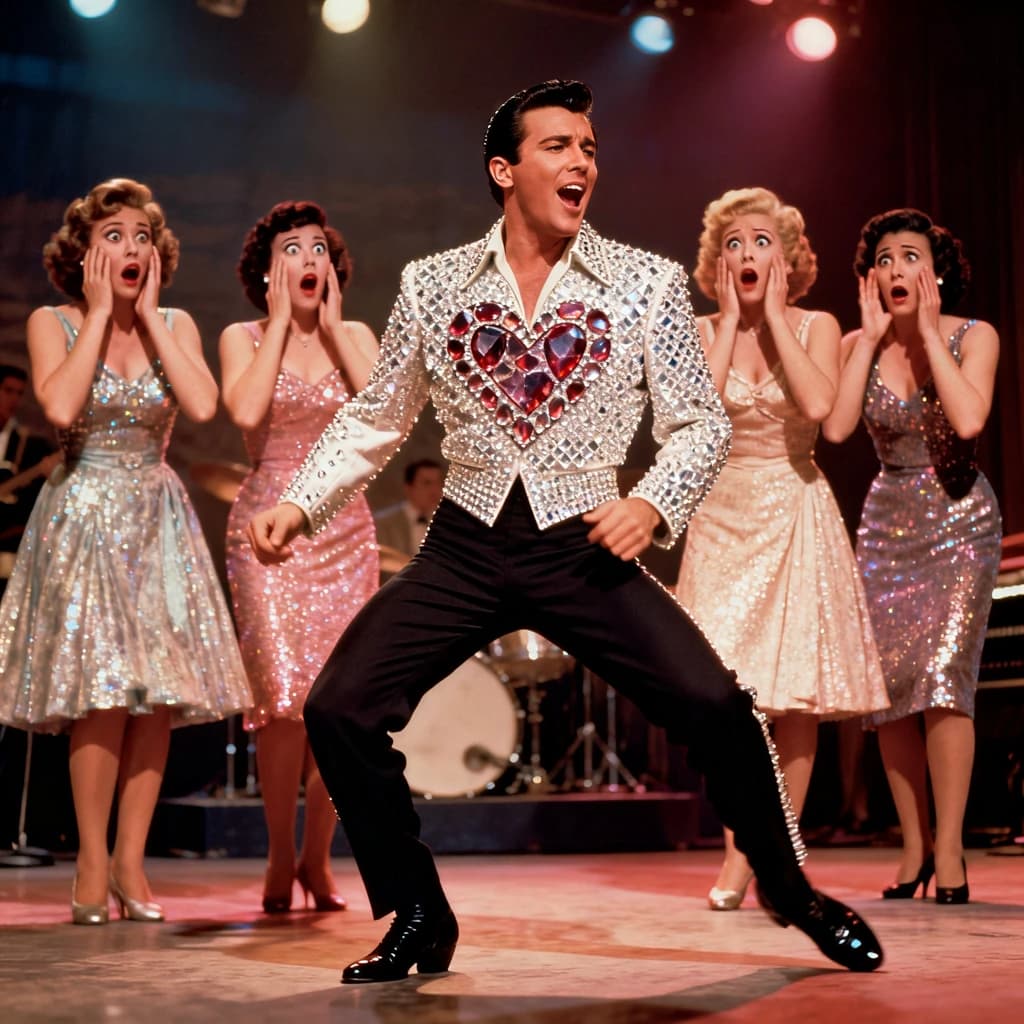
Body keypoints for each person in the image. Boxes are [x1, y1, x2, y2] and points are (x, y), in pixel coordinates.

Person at [248, 81, 883, 982]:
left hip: (586, 541)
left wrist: (653, 502)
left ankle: (793, 891)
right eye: (558, 146)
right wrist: (300, 500)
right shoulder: (433, 284)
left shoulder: (647, 283)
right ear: (504, 171)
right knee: (337, 708)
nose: (581, 161)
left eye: (588, 146)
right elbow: (377, 416)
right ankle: (419, 913)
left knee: (717, 705)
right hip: (465, 543)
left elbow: (698, 424)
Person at [0, 178, 251, 925]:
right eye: (114, 236)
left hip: (156, 516)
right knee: (102, 696)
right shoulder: (56, 321)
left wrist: (145, 318)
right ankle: (90, 859)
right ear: (83, 252)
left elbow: (204, 407)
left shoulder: (174, 321)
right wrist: (104, 313)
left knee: (157, 701)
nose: (131, 247)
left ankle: (133, 864)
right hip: (83, 514)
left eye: (142, 236)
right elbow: (62, 407)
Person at [676, 188, 890, 910]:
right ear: (717, 260)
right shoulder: (702, 330)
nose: (747, 254)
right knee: (726, 696)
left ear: (789, 258)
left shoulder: (819, 324)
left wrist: (770, 319)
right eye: (734, 243)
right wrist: (736, 323)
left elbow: (824, 412)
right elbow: (697, 426)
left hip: (794, 507)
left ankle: (767, 860)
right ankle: (750, 848)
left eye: (762, 242)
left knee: (795, 695)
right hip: (723, 516)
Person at [823, 208, 1001, 904]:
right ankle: (913, 845)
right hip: (887, 520)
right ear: (870, 276)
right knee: (892, 693)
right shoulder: (852, 344)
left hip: (959, 518)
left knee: (944, 681)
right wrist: (868, 343)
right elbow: (837, 428)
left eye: (910, 257)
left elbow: (968, 421)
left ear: (938, 269)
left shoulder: (972, 335)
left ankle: (952, 849)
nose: (898, 270)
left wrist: (927, 333)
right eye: (885, 259)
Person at [220, 201, 380, 914]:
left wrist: (340, 333)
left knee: (336, 703)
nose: (307, 261)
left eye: (317, 249)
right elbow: (247, 415)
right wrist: (281, 325)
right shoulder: (242, 336)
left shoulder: (358, 336)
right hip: (266, 534)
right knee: (280, 702)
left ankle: (319, 855)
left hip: (345, 530)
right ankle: (280, 854)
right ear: (266, 269)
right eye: (291, 249)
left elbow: (381, 415)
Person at [0, 365, 61, 597]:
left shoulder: (29, 446)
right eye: (8, 391)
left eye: (19, 393)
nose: (13, 399)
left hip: (8, 549)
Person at [373, 458, 445, 559]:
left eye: (439, 483)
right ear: (408, 488)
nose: (435, 490)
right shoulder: (382, 523)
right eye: (427, 483)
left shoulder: (446, 523)